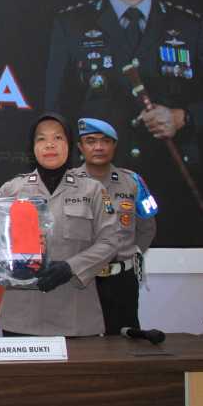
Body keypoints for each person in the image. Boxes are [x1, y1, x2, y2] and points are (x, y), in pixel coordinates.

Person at [43, 0, 203, 245]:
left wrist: (183, 117)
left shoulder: (187, 26)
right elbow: (54, 112)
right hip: (97, 184)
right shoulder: (72, 25)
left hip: (172, 183)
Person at [0, 113, 120, 337]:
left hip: (76, 316)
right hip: (22, 317)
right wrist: (14, 241)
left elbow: (110, 242)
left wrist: (70, 267)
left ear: (70, 145)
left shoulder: (93, 190)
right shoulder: (12, 189)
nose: (50, 144)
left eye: (58, 138)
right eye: (41, 139)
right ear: (33, 147)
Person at [73, 117, 157, 336]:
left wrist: (129, 255)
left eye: (105, 141)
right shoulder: (67, 183)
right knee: (81, 343)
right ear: (80, 147)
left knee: (125, 342)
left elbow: (147, 228)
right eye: (91, 141)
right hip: (82, 280)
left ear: (114, 146)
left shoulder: (133, 182)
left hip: (121, 281)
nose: (99, 147)